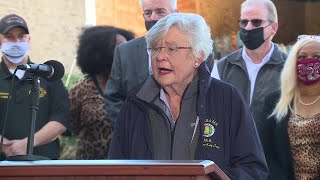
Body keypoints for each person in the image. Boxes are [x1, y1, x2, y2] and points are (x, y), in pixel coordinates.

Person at [109, 13, 268, 180]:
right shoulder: (135, 102)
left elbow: (253, 169)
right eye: (155, 48)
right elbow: (115, 169)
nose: (160, 57)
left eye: (172, 49)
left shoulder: (227, 99)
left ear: (198, 57)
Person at [211, 0, 287, 134]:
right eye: (244, 22)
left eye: (256, 22)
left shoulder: (288, 67)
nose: (248, 28)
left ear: (273, 28)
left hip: (273, 152)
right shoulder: (223, 67)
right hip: (234, 152)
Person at [0, 14, 69, 159]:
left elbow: (61, 118)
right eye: (9, 36)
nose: (16, 41)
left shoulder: (49, 75)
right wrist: (3, 144)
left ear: (29, 40)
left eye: (21, 36)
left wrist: (27, 143)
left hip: (42, 163)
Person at [104, 0, 178, 126]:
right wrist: (129, 129)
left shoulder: (193, 50)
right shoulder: (125, 52)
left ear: (175, 13)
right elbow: (113, 97)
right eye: (148, 13)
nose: (153, 17)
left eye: (160, 11)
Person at [68, 26, 134, 159]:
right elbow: (69, 126)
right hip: (91, 168)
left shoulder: (135, 84)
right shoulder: (81, 89)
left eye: (128, 46)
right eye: (120, 46)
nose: (127, 51)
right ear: (100, 52)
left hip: (129, 165)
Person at [260, 35, 320, 179]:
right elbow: (265, 152)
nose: (308, 61)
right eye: (302, 57)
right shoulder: (274, 102)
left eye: (317, 57)